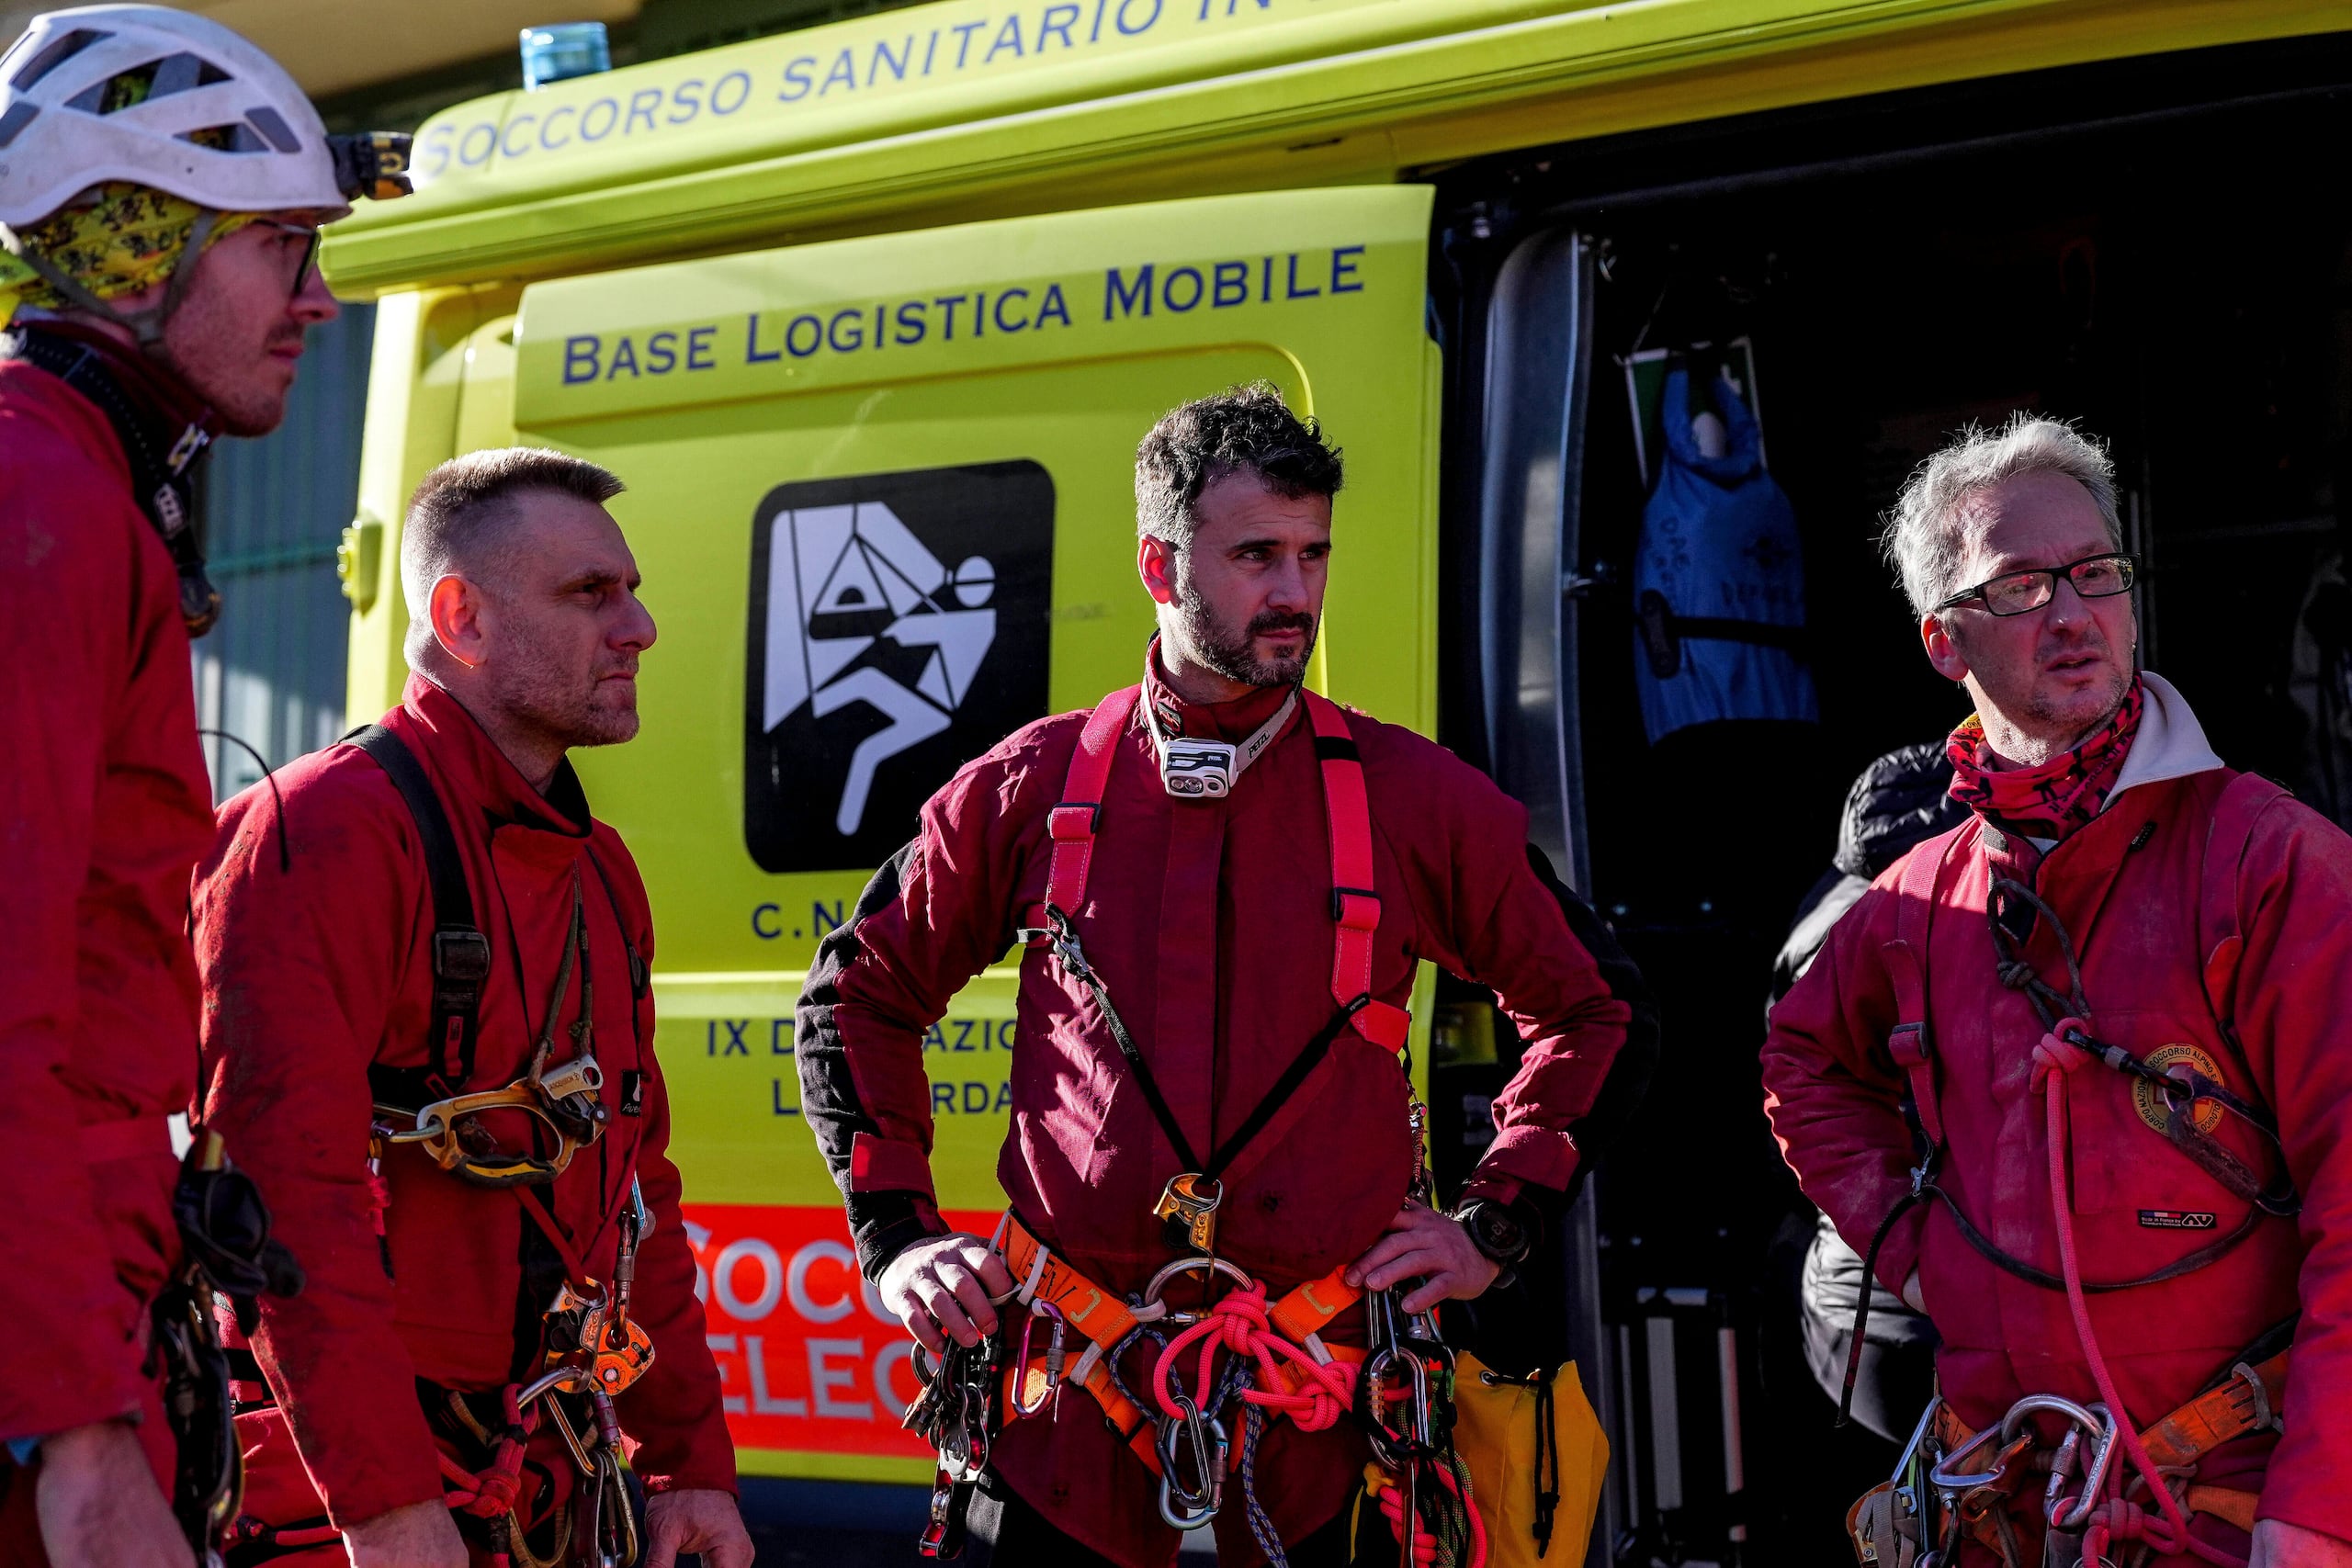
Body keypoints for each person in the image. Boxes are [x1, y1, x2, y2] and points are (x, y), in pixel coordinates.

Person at [797, 383, 1650, 1567]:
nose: (1295, 593)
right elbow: (857, 992)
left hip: (1329, 1433)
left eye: (1313, 555)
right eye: (1257, 555)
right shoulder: (1030, 785)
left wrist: (1492, 1227)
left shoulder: (1413, 798)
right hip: (1060, 1427)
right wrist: (895, 1236)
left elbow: (1594, 1009)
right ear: (1160, 564)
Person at [1762, 415, 2352, 1567]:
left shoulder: (2272, 863)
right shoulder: (1913, 899)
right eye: (2023, 586)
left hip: (2233, 1515)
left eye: (2095, 573)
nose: (2075, 613)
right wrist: (1924, 1253)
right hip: (2004, 1512)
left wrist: (2319, 1510)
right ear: (1945, 642)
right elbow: (1801, 1062)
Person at [0, 7, 409, 1564]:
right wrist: (81, 1434)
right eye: (281, 245)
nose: (320, 297)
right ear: (134, 247)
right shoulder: (39, 504)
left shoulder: (85, 493)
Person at [192, 450, 752, 1568]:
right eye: (590, 593)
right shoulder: (324, 836)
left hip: (543, 1481)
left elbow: (638, 1191)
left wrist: (687, 1463)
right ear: (462, 617)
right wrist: (387, 1510)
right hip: (341, 1504)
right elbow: (277, 1208)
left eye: (631, 590)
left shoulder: (602, 874)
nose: (638, 626)